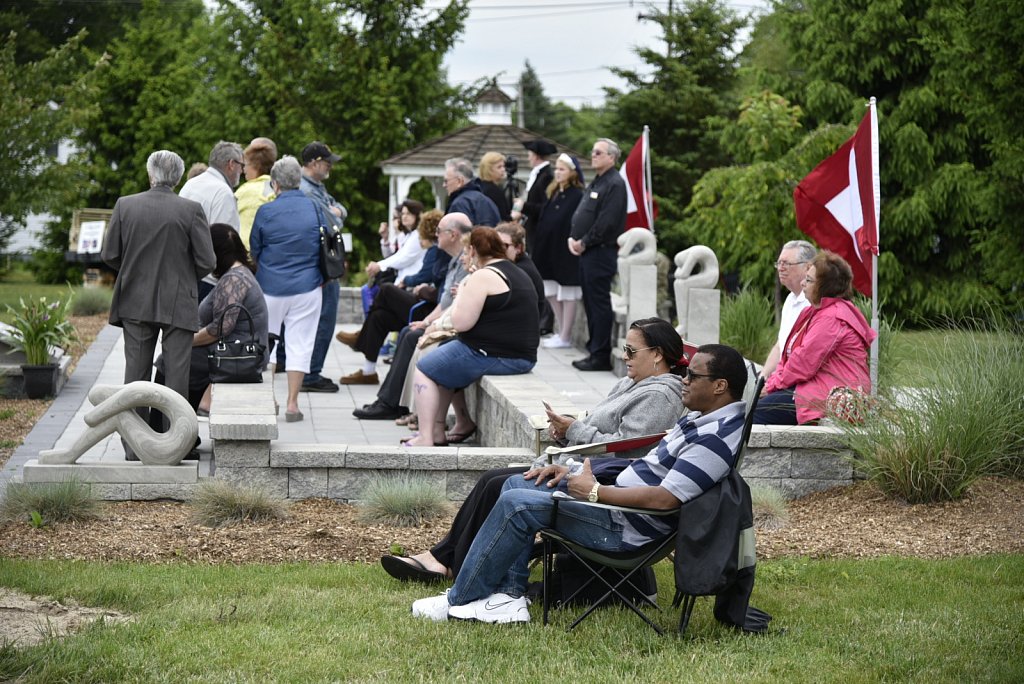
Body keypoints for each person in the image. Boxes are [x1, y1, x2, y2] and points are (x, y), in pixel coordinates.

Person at [411, 344, 749, 623]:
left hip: (626, 528)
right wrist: (575, 473)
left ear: (719, 386)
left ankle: (459, 598)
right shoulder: (702, 420)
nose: (683, 380)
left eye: (692, 375)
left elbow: (665, 500)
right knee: (515, 484)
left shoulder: (714, 440)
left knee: (518, 505)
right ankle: (508, 599)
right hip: (616, 508)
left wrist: (594, 491)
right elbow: (649, 469)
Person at [381, 317, 688, 583]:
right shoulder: (632, 383)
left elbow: (626, 449)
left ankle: (454, 565)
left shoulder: (660, 396)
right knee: (490, 479)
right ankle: (445, 559)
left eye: (631, 351)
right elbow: (604, 431)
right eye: (624, 348)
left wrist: (573, 430)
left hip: (598, 481)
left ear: (657, 354)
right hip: (579, 465)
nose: (624, 356)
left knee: (498, 484)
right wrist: (567, 429)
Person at [101, 150, 216, 461]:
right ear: (177, 178)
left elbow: (110, 254)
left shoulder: (125, 205)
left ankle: (134, 447)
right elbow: (207, 261)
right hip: (179, 299)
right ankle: (173, 446)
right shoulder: (191, 210)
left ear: (150, 174)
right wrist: (183, 276)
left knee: (135, 376)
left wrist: (134, 271)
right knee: (177, 376)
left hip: (135, 298)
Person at [403, 227, 539, 447]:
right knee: (442, 366)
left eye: (467, 251)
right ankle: (437, 432)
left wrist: (464, 290)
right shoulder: (516, 271)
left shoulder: (483, 276)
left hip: (496, 355)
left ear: (473, 250)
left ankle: (425, 437)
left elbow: (461, 323)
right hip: (521, 355)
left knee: (424, 369)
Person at [352, 213, 473, 420]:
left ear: (453, 235)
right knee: (382, 317)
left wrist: (428, 321)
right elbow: (446, 301)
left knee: (407, 329)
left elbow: (452, 303)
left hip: (451, 322)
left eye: (438, 231)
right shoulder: (455, 260)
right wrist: (426, 322)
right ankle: (385, 397)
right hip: (436, 313)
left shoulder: (463, 261)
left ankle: (390, 404)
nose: (435, 235)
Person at [754, 251, 877, 425]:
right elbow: (790, 355)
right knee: (755, 407)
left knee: (757, 413)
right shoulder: (814, 311)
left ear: (825, 287)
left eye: (809, 280)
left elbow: (803, 363)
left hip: (834, 392)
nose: (803, 283)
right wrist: (773, 382)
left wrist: (772, 386)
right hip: (817, 385)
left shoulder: (831, 317)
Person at [250, 156, 323, 422]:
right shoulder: (315, 208)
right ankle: (293, 404)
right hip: (307, 286)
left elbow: (255, 249)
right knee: (300, 344)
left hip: (270, 286)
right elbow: (325, 242)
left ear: (275, 183)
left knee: (265, 343)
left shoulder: (266, 211)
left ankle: (269, 399)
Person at [337, 209, 442, 386]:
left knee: (386, 289)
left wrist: (408, 282)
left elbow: (425, 276)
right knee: (379, 317)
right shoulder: (432, 249)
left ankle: (361, 336)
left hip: (427, 309)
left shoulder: (436, 251)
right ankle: (369, 372)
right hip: (421, 302)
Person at [177, 223, 269, 415]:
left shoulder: (233, 280)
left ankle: (168, 422)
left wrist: (184, 341)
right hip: (237, 351)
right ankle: (183, 418)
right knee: (177, 358)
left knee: (172, 360)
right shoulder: (241, 273)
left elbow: (220, 329)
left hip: (236, 356)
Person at [569, 138, 627, 372]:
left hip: (600, 252)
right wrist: (574, 237)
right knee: (590, 303)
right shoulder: (598, 181)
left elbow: (607, 222)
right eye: (592, 151)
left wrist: (584, 242)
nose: (593, 155)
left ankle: (600, 355)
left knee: (599, 304)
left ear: (611, 157)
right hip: (588, 252)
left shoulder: (615, 183)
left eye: (598, 152)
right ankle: (594, 349)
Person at [297, 141, 347, 394]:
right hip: (320, 266)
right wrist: (336, 213)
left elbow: (340, 209)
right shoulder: (307, 190)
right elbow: (332, 222)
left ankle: (309, 371)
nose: (330, 167)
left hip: (319, 263)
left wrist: (337, 211)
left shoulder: (316, 186)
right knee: (324, 318)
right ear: (314, 162)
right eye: (327, 163)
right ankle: (311, 374)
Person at [532, 153, 585, 349]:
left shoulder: (577, 195)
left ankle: (565, 335)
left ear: (572, 172)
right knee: (551, 291)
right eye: (556, 169)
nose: (557, 172)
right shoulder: (554, 192)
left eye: (562, 169)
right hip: (548, 250)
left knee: (568, 293)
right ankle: (561, 331)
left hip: (565, 251)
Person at [762, 240, 815, 377]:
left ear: (808, 267)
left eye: (786, 263)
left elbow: (805, 357)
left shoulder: (815, 303)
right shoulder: (790, 299)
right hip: (784, 376)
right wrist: (762, 377)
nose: (780, 268)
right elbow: (780, 346)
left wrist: (775, 382)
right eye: (779, 263)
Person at [363, 199, 426, 290]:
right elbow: (396, 255)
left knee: (381, 290)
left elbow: (403, 259)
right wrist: (379, 265)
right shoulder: (409, 235)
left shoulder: (418, 236)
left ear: (416, 215)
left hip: (411, 286)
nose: (404, 216)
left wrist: (379, 265)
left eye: (408, 213)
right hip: (402, 282)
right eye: (403, 214)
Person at [179, 141, 243, 231]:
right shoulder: (223, 193)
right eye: (241, 165)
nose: (241, 171)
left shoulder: (190, 184)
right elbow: (224, 237)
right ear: (231, 164)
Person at [511, 139, 557, 251]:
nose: (528, 158)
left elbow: (545, 207)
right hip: (532, 229)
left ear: (536, 156)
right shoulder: (539, 174)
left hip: (539, 231)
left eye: (529, 155)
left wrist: (523, 205)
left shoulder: (546, 176)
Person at [234, 137, 277, 250]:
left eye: (246, 164)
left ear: (256, 166)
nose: (243, 170)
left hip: (248, 253)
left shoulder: (245, 191)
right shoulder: (278, 188)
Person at [443, 158, 501, 227]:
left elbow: (456, 232)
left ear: (459, 181)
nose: (444, 185)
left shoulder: (459, 204)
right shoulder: (488, 201)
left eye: (446, 181)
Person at [477, 151, 511, 221]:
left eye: (503, 166)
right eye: (499, 167)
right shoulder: (493, 191)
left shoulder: (479, 185)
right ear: (489, 170)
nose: (503, 169)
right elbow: (502, 217)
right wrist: (513, 216)